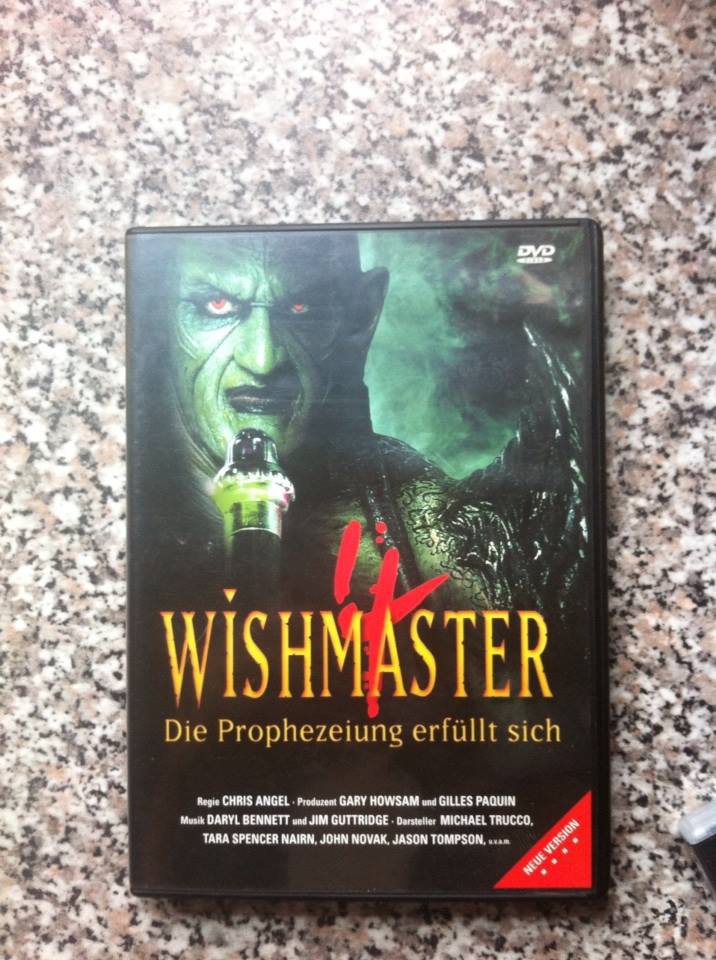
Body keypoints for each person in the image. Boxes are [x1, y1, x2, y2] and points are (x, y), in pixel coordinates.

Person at [166, 230, 585, 616]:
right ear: (154, 315)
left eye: (301, 308)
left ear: (362, 313)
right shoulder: (140, 524)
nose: (261, 360)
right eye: (216, 306)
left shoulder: (433, 539)